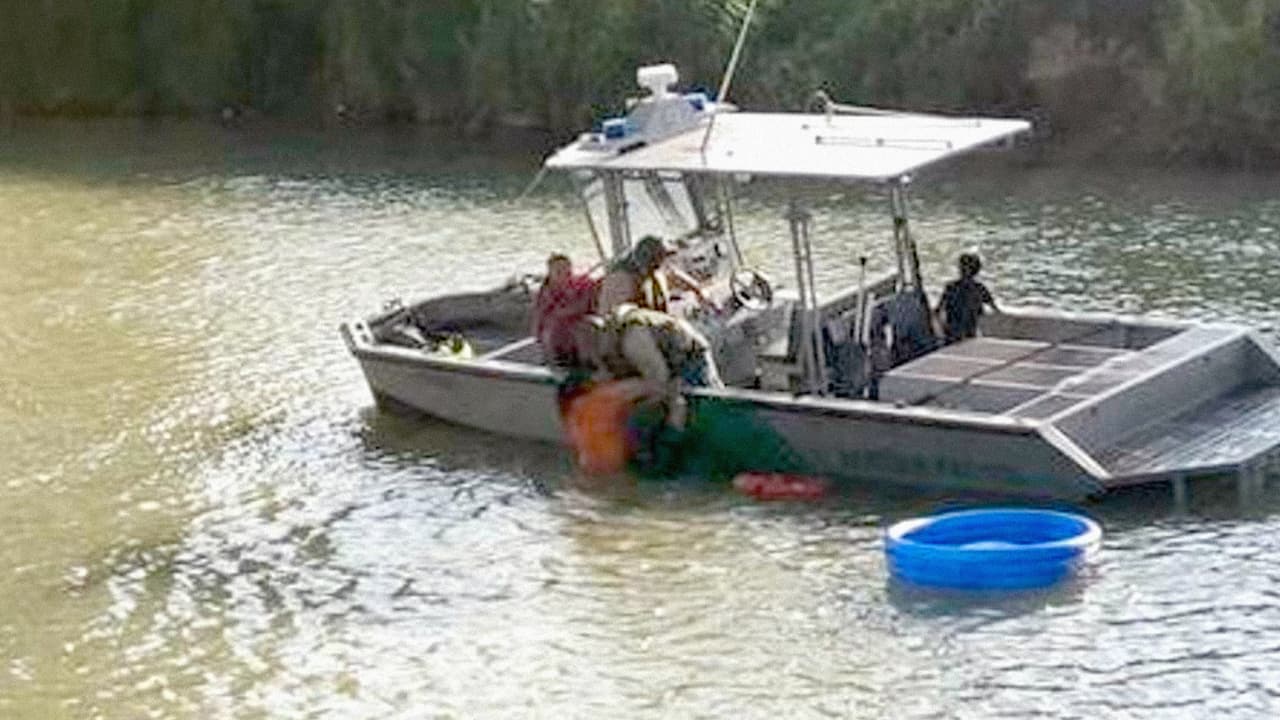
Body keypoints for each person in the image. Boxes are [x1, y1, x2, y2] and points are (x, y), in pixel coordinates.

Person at [582, 303, 723, 429]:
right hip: (666, 362)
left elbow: (660, 382)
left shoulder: (632, 340)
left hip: (689, 358)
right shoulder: (613, 335)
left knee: (709, 410)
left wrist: (623, 392)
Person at [596, 235, 715, 315]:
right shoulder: (622, 281)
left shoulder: (655, 273)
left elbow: (671, 274)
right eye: (656, 264)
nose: (661, 267)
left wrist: (698, 291)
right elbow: (609, 319)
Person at [531, 253, 597, 367]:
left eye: (567, 271)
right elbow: (539, 315)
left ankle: (587, 363)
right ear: (550, 273)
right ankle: (553, 364)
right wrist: (537, 335)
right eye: (558, 271)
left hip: (577, 323)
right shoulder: (543, 292)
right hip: (555, 329)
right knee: (549, 332)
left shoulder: (580, 285)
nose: (564, 275)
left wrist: (569, 305)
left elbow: (583, 306)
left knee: (583, 331)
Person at [937, 252, 999, 344]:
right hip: (969, 333)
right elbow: (995, 309)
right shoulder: (980, 289)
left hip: (952, 334)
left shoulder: (951, 287)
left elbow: (938, 310)